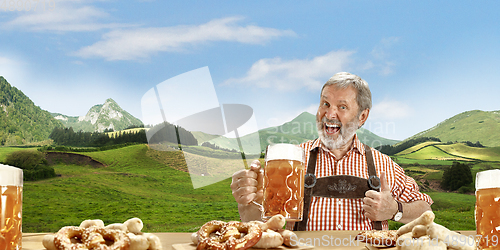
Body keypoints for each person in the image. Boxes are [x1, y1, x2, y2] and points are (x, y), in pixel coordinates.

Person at [230, 72, 433, 231]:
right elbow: (255, 221)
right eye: (325, 104)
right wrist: (247, 202)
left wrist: (395, 210)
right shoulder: (289, 162)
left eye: (342, 107)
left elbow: (425, 210)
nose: (329, 114)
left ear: (362, 116)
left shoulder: (384, 165)